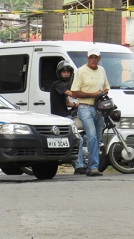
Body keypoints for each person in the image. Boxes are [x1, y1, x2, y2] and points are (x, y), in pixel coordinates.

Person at [71, 46, 110, 177]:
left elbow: (106, 87)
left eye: (96, 57)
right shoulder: (81, 71)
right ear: (88, 58)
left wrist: (104, 92)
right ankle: (93, 167)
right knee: (92, 136)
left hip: (99, 108)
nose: (94, 60)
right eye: (91, 57)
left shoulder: (102, 70)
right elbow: (75, 92)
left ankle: (90, 164)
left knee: (97, 138)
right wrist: (93, 94)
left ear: (99, 58)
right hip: (85, 107)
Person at [50, 61, 83, 174]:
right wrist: (88, 94)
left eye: (68, 72)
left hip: (65, 115)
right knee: (79, 139)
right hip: (61, 118)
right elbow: (73, 94)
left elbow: (67, 102)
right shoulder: (57, 84)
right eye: (64, 72)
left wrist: (76, 105)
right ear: (59, 73)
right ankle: (79, 166)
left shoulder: (63, 86)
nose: (66, 74)